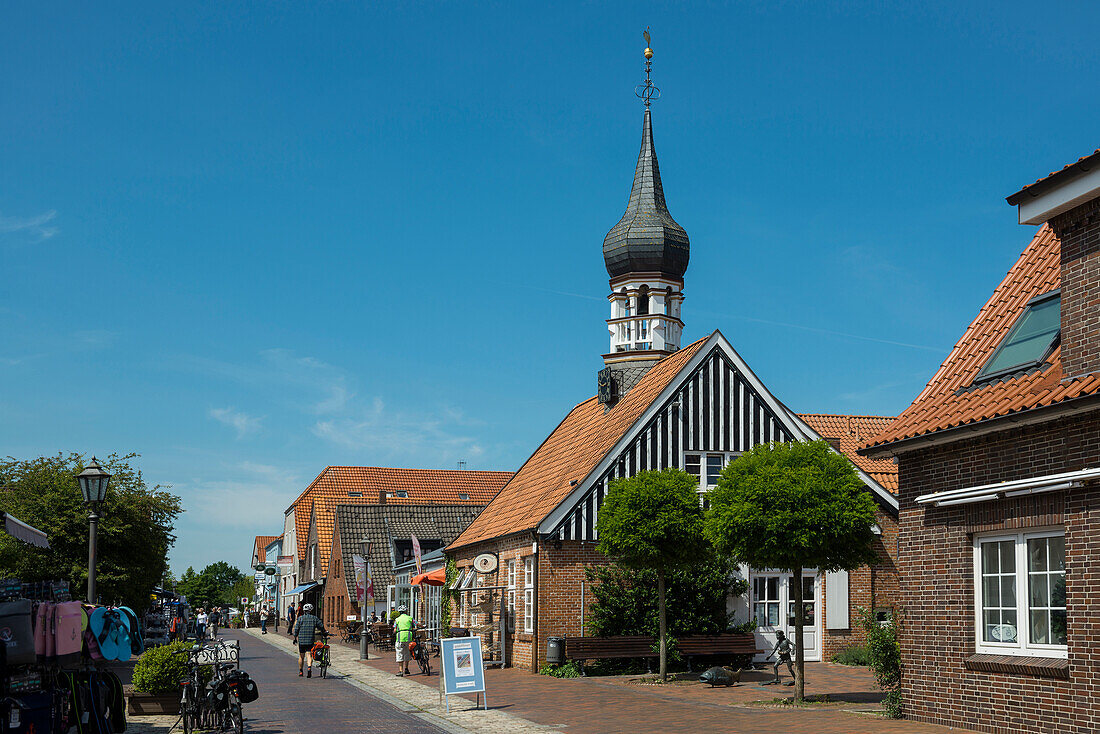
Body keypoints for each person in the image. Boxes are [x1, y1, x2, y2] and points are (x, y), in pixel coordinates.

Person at [292, 603, 326, 678]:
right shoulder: (314, 618)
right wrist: (324, 631)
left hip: (301, 640)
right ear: (311, 610)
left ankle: (301, 671)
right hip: (310, 639)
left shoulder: (300, 618)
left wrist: (295, 637)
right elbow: (321, 626)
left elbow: (296, 629)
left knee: (301, 656)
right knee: (309, 655)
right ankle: (309, 667)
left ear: (304, 611)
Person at [393, 604, 415, 676]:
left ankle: (400, 671)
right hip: (409, 637)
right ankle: (406, 668)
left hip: (400, 638)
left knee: (400, 653)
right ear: (406, 611)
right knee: (407, 653)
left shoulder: (397, 619)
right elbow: (416, 624)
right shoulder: (410, 618)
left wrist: (394, 632)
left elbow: (395, 629)